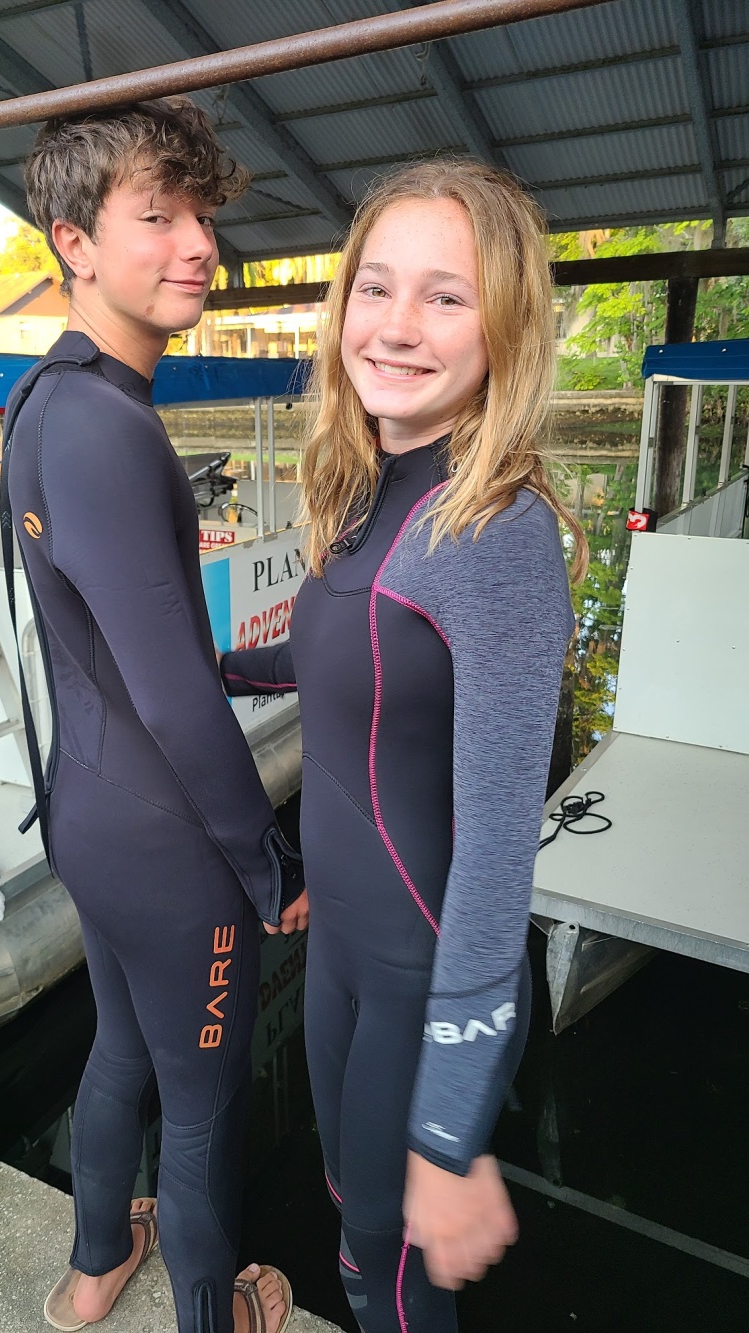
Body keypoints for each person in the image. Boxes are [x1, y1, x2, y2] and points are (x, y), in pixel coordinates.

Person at [220, 159, 585, 1332]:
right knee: (351, 1228)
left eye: (445, 295)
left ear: (508, 325)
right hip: (337, 954)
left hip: (428, 973)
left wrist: (450, 1125)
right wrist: (194, 658)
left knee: (389, 1271)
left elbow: (493, 854)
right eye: (374, 288)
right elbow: (334, 672)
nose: (395, 326)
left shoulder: (496, 533)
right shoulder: (363, 485)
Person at [2, 99, 307, 1333]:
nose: (198, 248)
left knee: (121, 1041)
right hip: (169, 844)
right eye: (158, 218)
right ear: (74, 242)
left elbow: (121, 650)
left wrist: (264, 664)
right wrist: (265, 861)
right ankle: (208, 1310)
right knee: (204, 1101)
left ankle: (89, 1272)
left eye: (201, 218)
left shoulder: (42, 401)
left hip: (86, 811)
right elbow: (172, 699)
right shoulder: (110, 429)